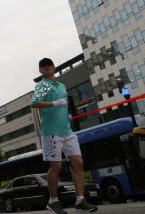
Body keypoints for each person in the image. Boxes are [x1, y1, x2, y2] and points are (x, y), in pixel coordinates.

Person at [30, 58, 97, 213]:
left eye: (49, 65)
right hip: (50, 132)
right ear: (40, 70)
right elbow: (34, 103)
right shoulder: (42, 85)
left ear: (53, 67)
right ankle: (53, 202)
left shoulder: (61, 85)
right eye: (43, 66)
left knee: (78, 163)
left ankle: (80, 201)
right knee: (56, 166)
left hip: (67, 131)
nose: (46, 67)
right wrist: (54, 103)